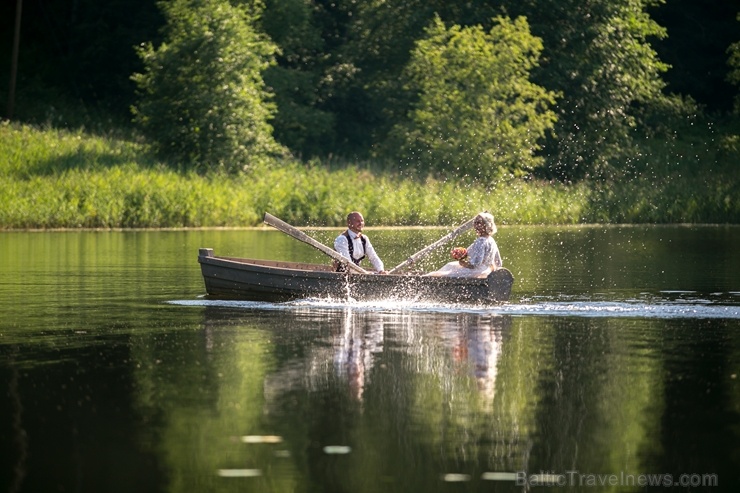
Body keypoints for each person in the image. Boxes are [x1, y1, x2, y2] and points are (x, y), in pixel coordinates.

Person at [425, 212, 502, 278]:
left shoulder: (481, 241)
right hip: (485, 271)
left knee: (438, 274)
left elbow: (475, 264)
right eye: (475, 223)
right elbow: (499, 263)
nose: (475, 225)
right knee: (450, 265)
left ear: (486, 225)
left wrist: (463, 263)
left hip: (476, 272)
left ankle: (428, 278)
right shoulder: (491, 240)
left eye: (478, 223)